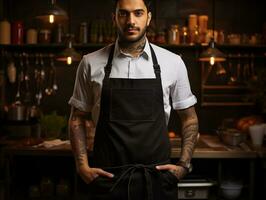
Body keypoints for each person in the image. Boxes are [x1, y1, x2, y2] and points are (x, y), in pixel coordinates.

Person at [68, 0, 199, 199]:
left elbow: (189, 118)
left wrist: (183, 165)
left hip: (157, 179)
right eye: (123, 14)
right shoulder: (90, 63)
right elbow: (77, 117)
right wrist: (82, 167)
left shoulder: (172, 62)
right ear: (114, 18)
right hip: (107, 179)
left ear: (149, 17)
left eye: (138, 13)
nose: (131, 21)